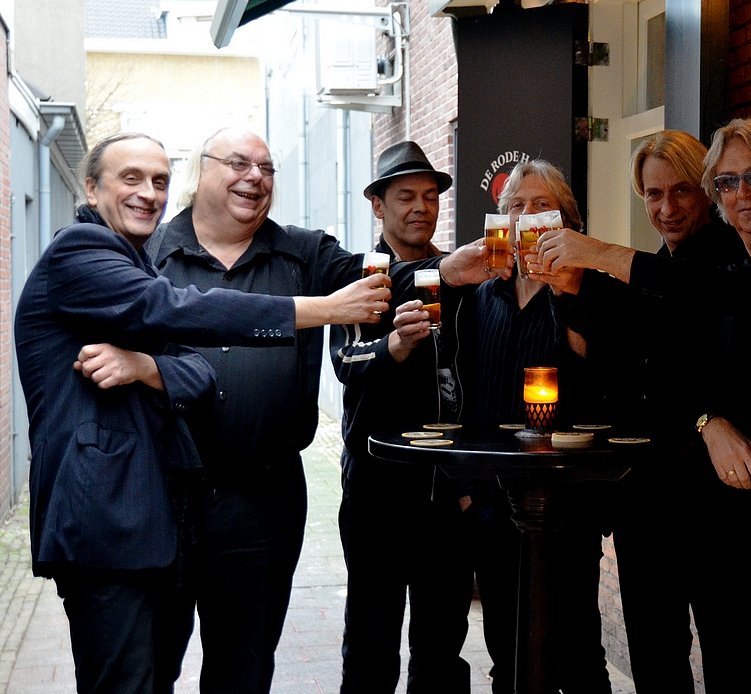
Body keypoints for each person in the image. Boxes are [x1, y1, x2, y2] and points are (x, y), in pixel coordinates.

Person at [13, 132, 387, 694]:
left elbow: (198, 372)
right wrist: (319, 310)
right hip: (106, 522)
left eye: (159, 180)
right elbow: (171, 308)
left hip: (161, 518)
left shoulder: (136, 260)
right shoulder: (81, 250)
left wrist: (145, 366)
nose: (149, 193)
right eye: (131, 178)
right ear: (90, 188)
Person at [533, 116, 751, 692]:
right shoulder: (733, 264)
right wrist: (575, 293)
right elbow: (647, 354)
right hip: (730, 503)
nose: (742, 194)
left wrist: (601, 256)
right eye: (729, 182)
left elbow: (721, 304)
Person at [145, 127, 420, 694]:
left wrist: (454, 267)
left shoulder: (305, 252)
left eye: (266, 168)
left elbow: (387, 278)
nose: (255, 177)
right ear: (201, 170)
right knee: (146, 665)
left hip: (262, 500)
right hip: (159, 496)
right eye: (239, 164)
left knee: (244, 670)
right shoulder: (148, 253)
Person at [330, 140, 506, 694]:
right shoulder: (360, 276)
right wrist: (394, 348)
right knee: (371, 641)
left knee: (441, 645)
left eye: (430, 196)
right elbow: (345, 362)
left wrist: (472, 484)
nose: (420, 207)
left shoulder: (462, 276)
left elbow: (478, 373)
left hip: (447, 494)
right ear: (378, 205)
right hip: (376, 491)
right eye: (405, 196)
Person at [455, 159, 615, 694]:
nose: (527, 216)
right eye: (517, 206)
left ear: (565, 221)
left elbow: (599, 380)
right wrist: (469, 490)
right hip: (495, 498)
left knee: (579, 651)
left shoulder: (588, 288)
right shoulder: (484, 294)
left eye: (542, 205)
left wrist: (567, 293)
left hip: (567, 498)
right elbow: (470, 394)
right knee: (506, 647)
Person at [602, 131, 749, 693]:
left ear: (707, 190)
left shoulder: (733, 262)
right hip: (646, 496)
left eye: (682, 190)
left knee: (730, 653)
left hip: (717, 501)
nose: (667, 207)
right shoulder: (651, 272)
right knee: (654, 652)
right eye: (653, 194)